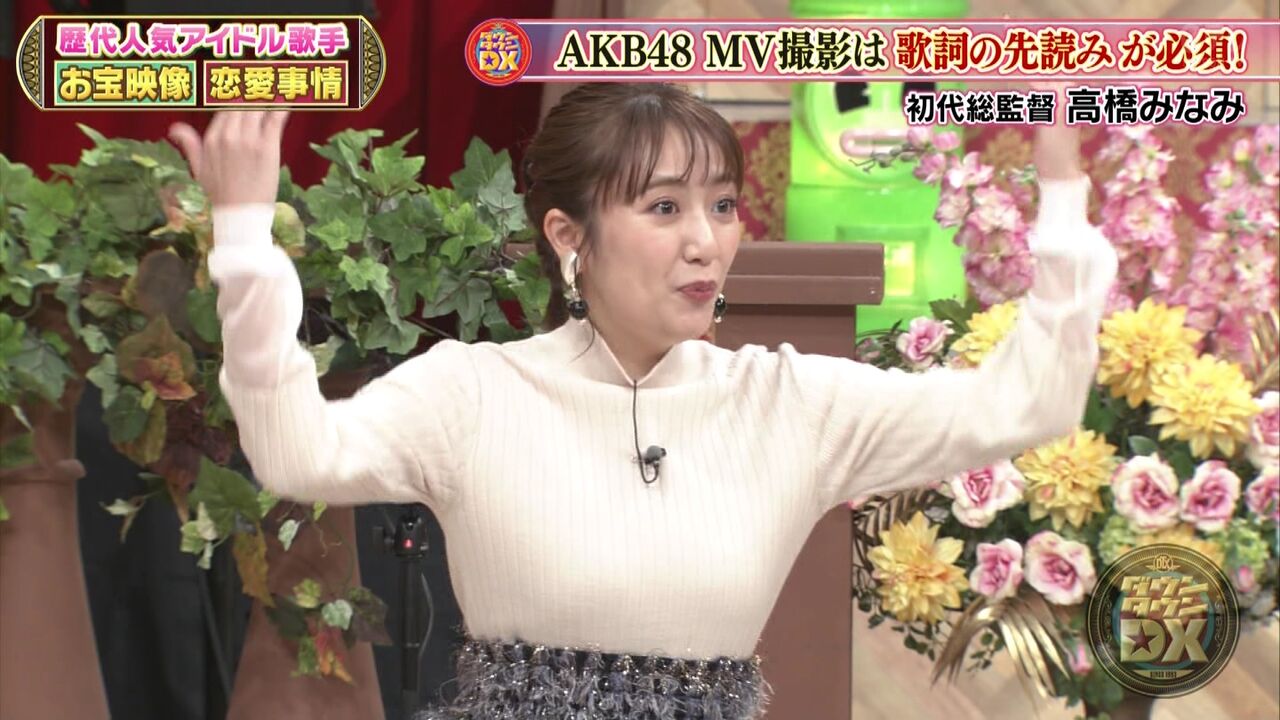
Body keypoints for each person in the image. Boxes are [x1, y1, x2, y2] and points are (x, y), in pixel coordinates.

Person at [169, 83, 1117, 719]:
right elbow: (297, 456)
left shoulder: (789, 400)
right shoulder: (474, 391)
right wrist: (245, 240)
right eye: (665, 208)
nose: (706, 241)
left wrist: (1065, 205)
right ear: (568, 236)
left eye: (723, 206)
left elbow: (1025, 405)